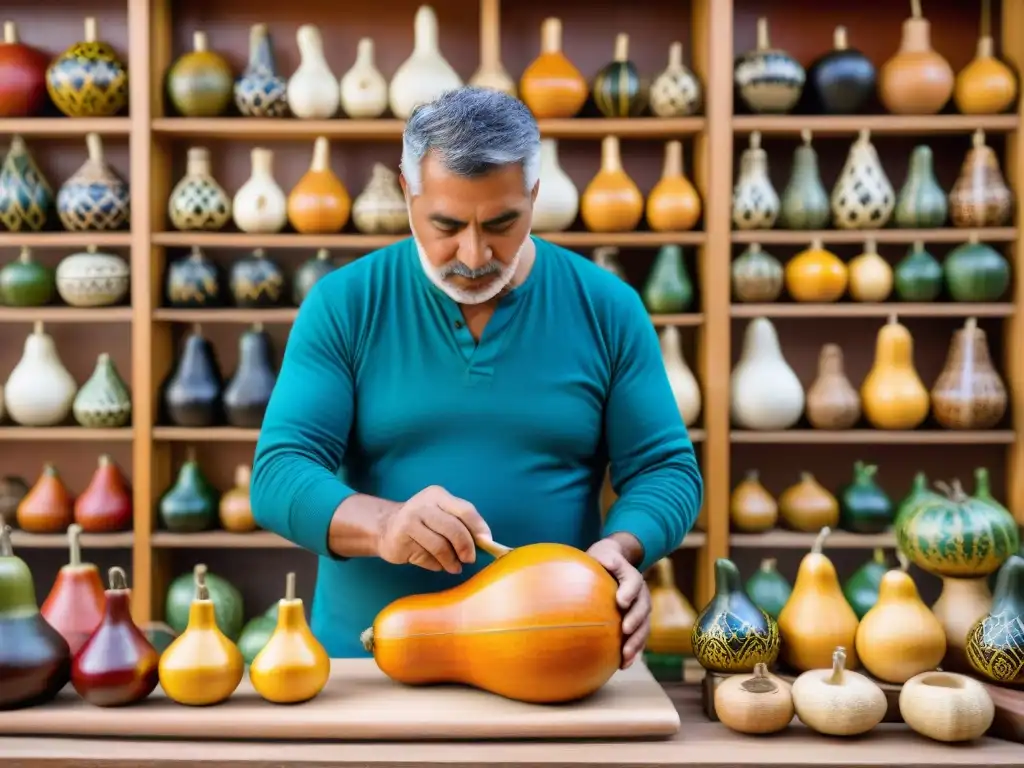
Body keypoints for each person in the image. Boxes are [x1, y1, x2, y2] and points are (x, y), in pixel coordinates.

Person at [250, 86, 703, 665]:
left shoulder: (608, 307)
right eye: (447, 225)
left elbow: (666, 469)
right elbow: (278, 474)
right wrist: (386, 526)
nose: (473, 254)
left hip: (548, 660)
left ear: (534, 195)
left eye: (501, 223)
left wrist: (621, 548)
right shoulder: (344, 303)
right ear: (407, 192)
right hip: (366, 666)